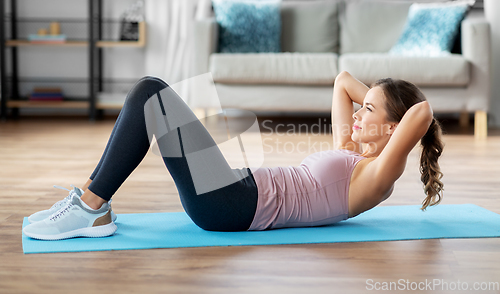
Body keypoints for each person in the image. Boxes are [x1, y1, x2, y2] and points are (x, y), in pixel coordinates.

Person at [23, 71, 444, 240]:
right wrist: (375, 104)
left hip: (231, 204)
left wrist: (391, 119)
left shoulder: (377, 176)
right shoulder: (351, 154)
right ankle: (93, 202)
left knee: (151, 94)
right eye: (361, 106)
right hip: (235, 188)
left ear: (395, 128)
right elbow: (341, 82)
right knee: (149, 96)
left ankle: (91, 207)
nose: (356, 111)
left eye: (367, 110)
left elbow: (421, 113)